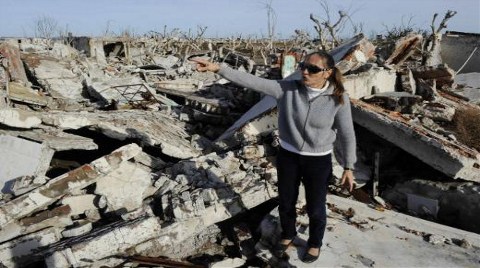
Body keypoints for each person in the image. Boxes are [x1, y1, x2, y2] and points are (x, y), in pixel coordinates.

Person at [191, 50, 356, 263]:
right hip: (288, 156)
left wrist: (349, 166)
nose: (305, 72)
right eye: (303, 66)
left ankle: (315, 242)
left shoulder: (339, 97)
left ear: (327, 72)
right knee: (286, 202)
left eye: (312, 69)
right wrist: (218, 68)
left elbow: (347, 133)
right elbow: (253, 81)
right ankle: (288, 234)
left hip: (318, 160)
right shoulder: (287, 89)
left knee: (316, 207)